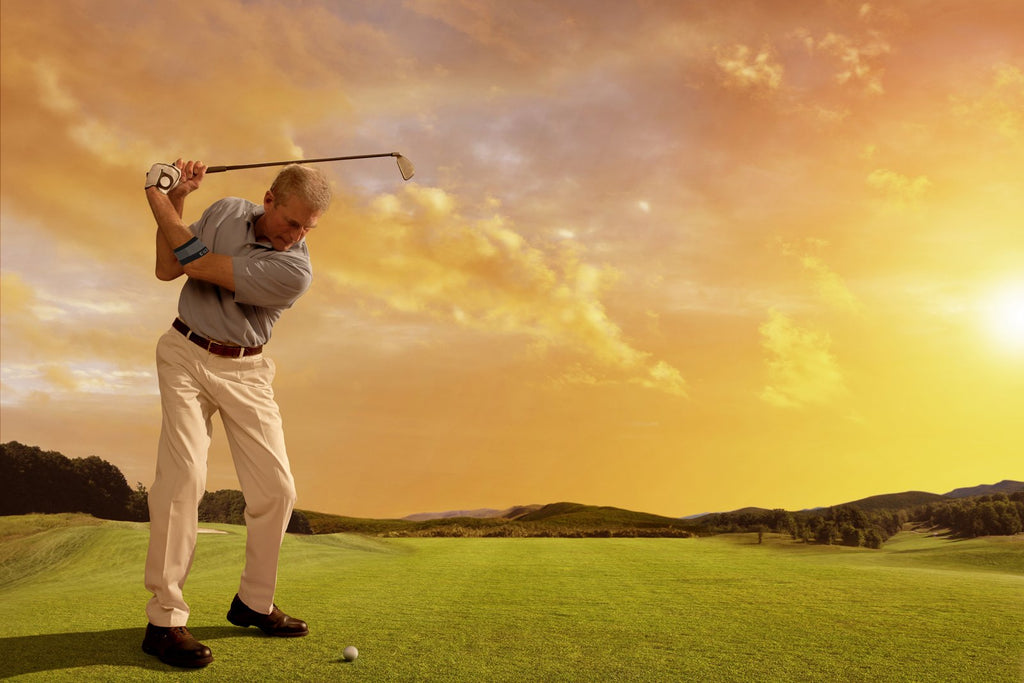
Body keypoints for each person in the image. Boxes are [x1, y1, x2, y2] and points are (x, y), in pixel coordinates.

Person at [140, 158, 331, 668]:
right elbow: (168, 267)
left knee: (277, 490)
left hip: (245, 371)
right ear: (268, 200)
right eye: (292, 222)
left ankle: (253, 603)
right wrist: (178, 199)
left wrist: (157, 198)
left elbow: (198, 264)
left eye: (309, 228)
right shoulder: (225, 210)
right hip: (184, 354)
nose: (297, 235)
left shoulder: (294, 271)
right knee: (183, 478)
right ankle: (164, 621)